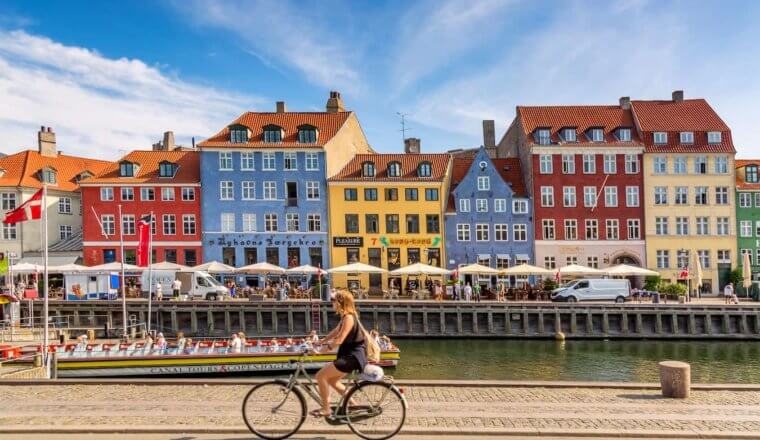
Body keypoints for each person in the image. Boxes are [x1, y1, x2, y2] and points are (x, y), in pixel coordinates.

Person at [312, 289, 367, 418]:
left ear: (340, 302)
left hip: (352, 357)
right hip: (349, 356)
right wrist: (322, 341)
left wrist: (321, 352)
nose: (332, 302)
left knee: (320, 376)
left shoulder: (349, 318)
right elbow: (336, 331)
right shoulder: (345, 317)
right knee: (332, 381)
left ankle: (326, 409)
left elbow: (340, 339)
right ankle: (353, 404)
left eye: (334, 300)